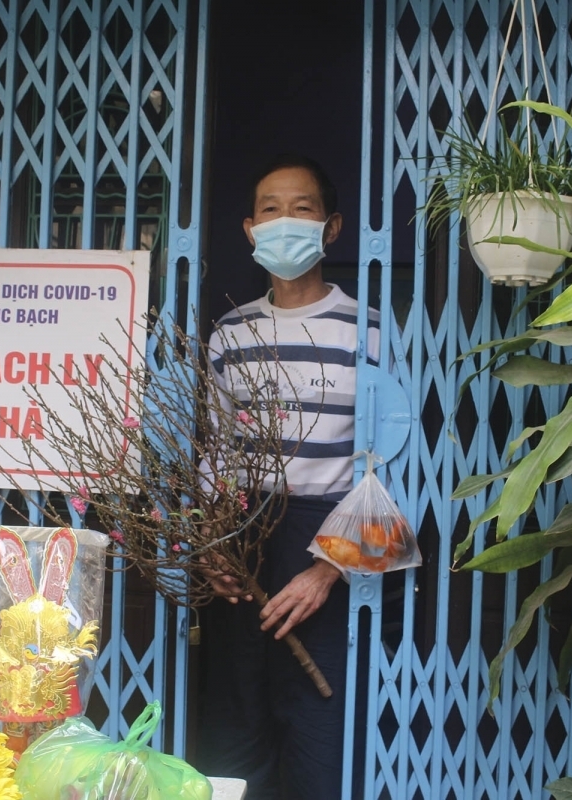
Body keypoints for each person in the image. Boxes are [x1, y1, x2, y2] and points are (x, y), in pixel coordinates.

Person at [195, 154, 379, 800]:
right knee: (234, 722)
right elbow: (215, 452)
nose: (283, 222)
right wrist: (215, 542)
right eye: (270, 210)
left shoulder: (370, 334)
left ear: (332, 228)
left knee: (317, 731)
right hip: (244, 536)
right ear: (249, 229)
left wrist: (330, 568)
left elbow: (396, 468)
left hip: (324, 532)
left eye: (301, 209)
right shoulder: (231, 334)